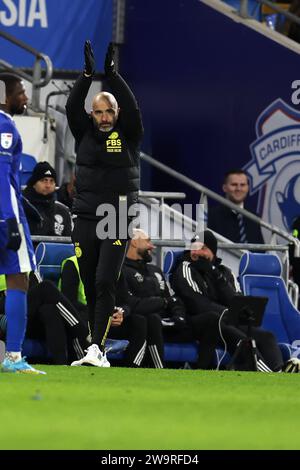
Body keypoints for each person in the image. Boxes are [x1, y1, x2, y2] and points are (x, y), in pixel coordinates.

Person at [66, 40, 143, 367]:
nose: (104, 116)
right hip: (84, 216)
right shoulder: (83, 132)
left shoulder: (130, 133)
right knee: (89, 281)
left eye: (109, 110)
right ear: (92, 114)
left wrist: (112, 76)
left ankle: (96, 348)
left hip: (117, 216)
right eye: (98, 111)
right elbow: (71, 107)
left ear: (117, 112)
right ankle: (95, 346)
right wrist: (86, 75)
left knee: (104, 280)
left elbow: (133, 106)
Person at [171, 230, 285, 372]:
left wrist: (215, 274)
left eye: (203, 248)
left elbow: (237, 302)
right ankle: (267, 375)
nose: (197, 252)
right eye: (194, 248)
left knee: (267, 336)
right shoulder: (185, 268)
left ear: (213, 252)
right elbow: (196, 303)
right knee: (244, 340)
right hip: (203, 322)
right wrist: (229, 313)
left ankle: (280, 372)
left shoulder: (225, 273)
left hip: (228, 320)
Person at [121, 228, 225, 369]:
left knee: (211, 319)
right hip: (148, 325)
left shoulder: (155, 271)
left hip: (170, 323)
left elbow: (174, 299)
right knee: (152, 319)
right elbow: (132, 304)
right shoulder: (122, 271)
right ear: (133, 243)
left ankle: (202, 372)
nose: (152, 246)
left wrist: (179, 315)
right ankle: (159, 370)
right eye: (148, 241)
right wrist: (163, 302)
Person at [0, 74, 45, 374]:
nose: (26, 97)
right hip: (5, 217)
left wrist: (26, 204)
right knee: (19, 279)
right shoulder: (4, 127)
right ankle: (13, 356)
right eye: (21, 92)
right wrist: (10, 219)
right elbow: (1, 177)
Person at [59, 254, 147, 368]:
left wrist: (121, 312)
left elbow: (126, 301)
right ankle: (96, 348)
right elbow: (69, 302)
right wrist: (102, 315)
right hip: (86, 317)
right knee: (83, 317)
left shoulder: (114, 267)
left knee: (140, 320)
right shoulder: (73, 263)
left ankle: (133, 368)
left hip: (109, 320)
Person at [0, 273, 90, 365]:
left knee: (48, 310)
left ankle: (62, 364)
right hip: (5, 315)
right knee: (45, 287)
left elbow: (40, 297)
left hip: (26, 316)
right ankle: (83, 331)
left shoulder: (26, 267)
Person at [207, 169, 264, 244]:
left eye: (242, 185)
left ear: (247, 188)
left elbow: (261, 250)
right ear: (224, 188)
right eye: (234, 185)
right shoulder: (212, 215)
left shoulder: (254, 217)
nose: (238, 189)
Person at [23, 161, 72, 238]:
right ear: (34, 184)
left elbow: (69, 243)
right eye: (43, 180)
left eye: (51, 181)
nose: (48, 185)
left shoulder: (63, 211)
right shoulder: (23, 207)